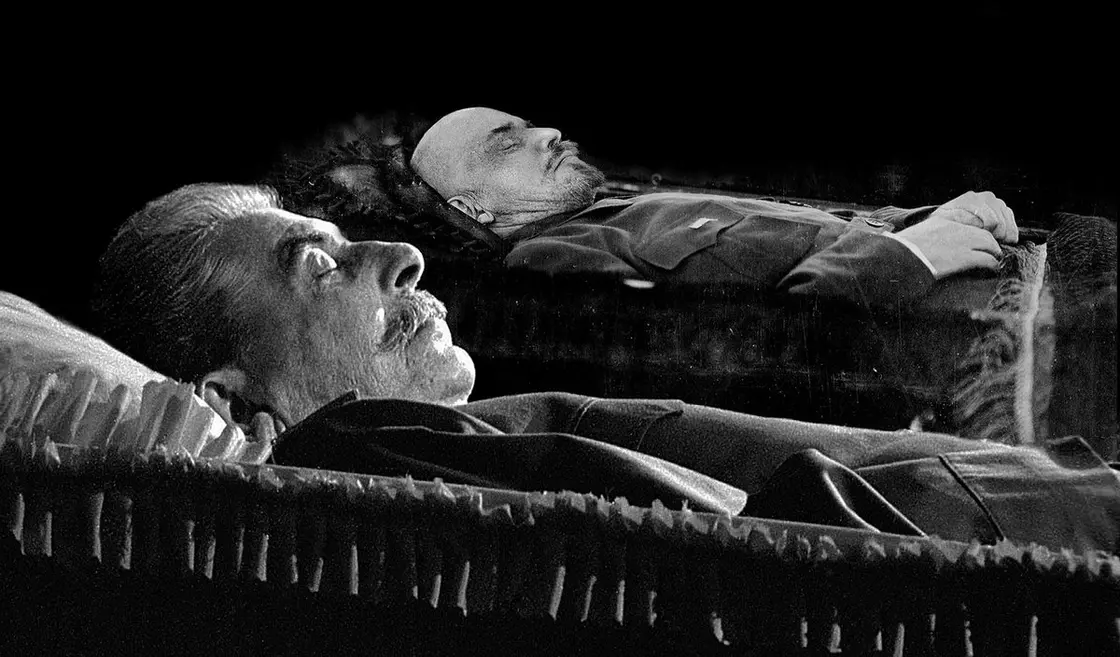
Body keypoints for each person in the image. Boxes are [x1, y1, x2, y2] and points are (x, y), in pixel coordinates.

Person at [92, 183, 1118, 554]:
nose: (399, 255)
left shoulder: (441, 450)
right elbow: (755, 553)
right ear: (227, 396)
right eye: (316, 266)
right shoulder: (359, 445)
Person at [410, 107, 1021, 306]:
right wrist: (908, 255)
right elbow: (745, 351)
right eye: (507, 143)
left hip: (988, 281)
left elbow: (799, 240)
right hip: (972, 332)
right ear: (474, 208)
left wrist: (930, 222)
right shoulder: (547, 261)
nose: (549, 134)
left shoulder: (629, 207)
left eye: (532, 125)